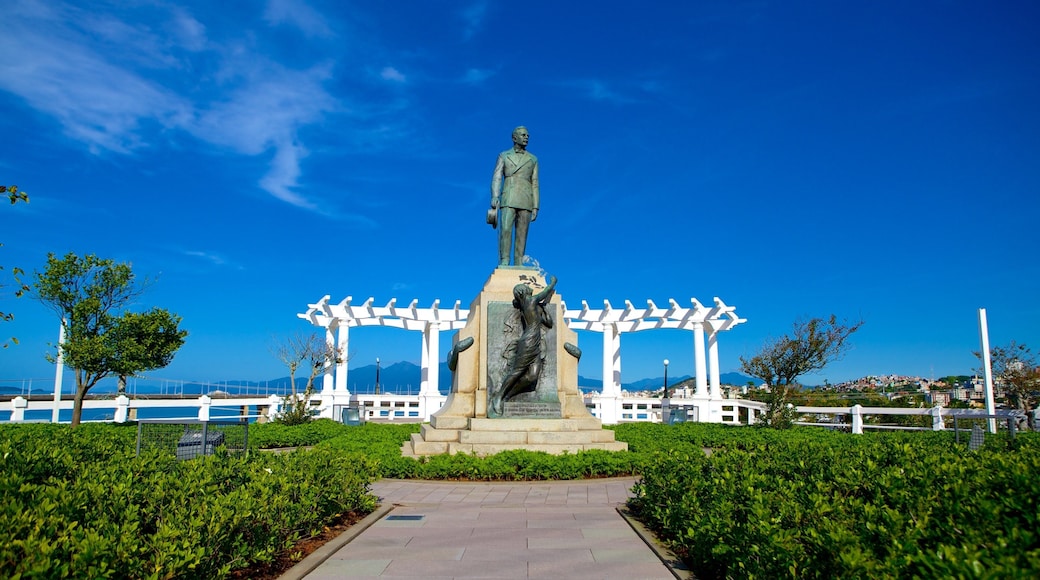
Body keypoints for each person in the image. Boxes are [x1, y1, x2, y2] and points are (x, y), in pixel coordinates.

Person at [490, 275, 557, 416]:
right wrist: (552, 283)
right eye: (526, 287)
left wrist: (544, 309)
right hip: (528, 341)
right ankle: (498, 396)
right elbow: (544, 293)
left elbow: (549, 323)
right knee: (516, 372)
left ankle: (508, 396)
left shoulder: (534, 306)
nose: (529, 287)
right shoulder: (529, 301)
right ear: (522, 292)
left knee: (532, 376)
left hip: (537, 343)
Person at [490, 126, 539, 266]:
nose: (526, 137)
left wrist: (536, 206)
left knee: (522, 233)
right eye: (523, 135)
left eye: (527, 135)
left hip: (526, 198)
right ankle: (504, 260)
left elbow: (535, 183)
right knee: (505, 229)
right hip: (508, 196)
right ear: (514, 138)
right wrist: (495, 196)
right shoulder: (504, 155)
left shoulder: (533, 159)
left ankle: (519, 262)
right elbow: (497, 177)